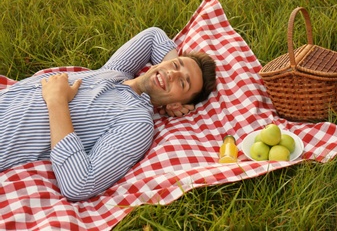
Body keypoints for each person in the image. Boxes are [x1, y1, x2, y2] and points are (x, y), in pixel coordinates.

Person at [0, 27, 217, 201]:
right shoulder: (116, 72)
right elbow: (153, 36)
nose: (172, 73)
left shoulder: (136, 122)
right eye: (175, 65)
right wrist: (171, 71)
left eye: (183, 82)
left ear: (180, 102)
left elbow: (80, 183)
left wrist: (56, 101)